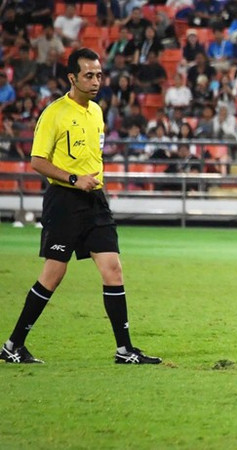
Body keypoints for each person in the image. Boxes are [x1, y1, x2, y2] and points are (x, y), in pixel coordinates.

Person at [1, 48, 161, 365]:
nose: (95, 80)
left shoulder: (97, 112)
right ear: (72, 78)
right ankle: (13, 345)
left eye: (99, 75)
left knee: (113, 269)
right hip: (65, 201)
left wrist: (90, 182)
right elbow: (36, 161)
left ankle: (124, 349)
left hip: (95, 201)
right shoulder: (54, 113)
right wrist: (74, 179)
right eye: (88, 75)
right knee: (53, 275)